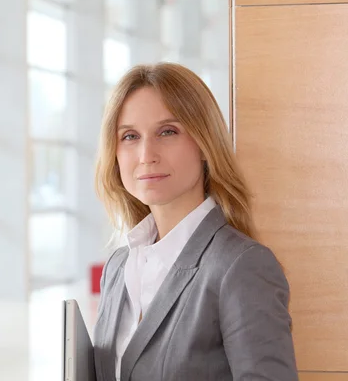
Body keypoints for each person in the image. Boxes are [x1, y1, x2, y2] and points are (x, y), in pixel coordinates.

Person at [92, 63, 298, 381]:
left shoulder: (241, 266)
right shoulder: (118, 268)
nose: (147, 154)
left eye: (167, 132)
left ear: (203, 143)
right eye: (130, 136)